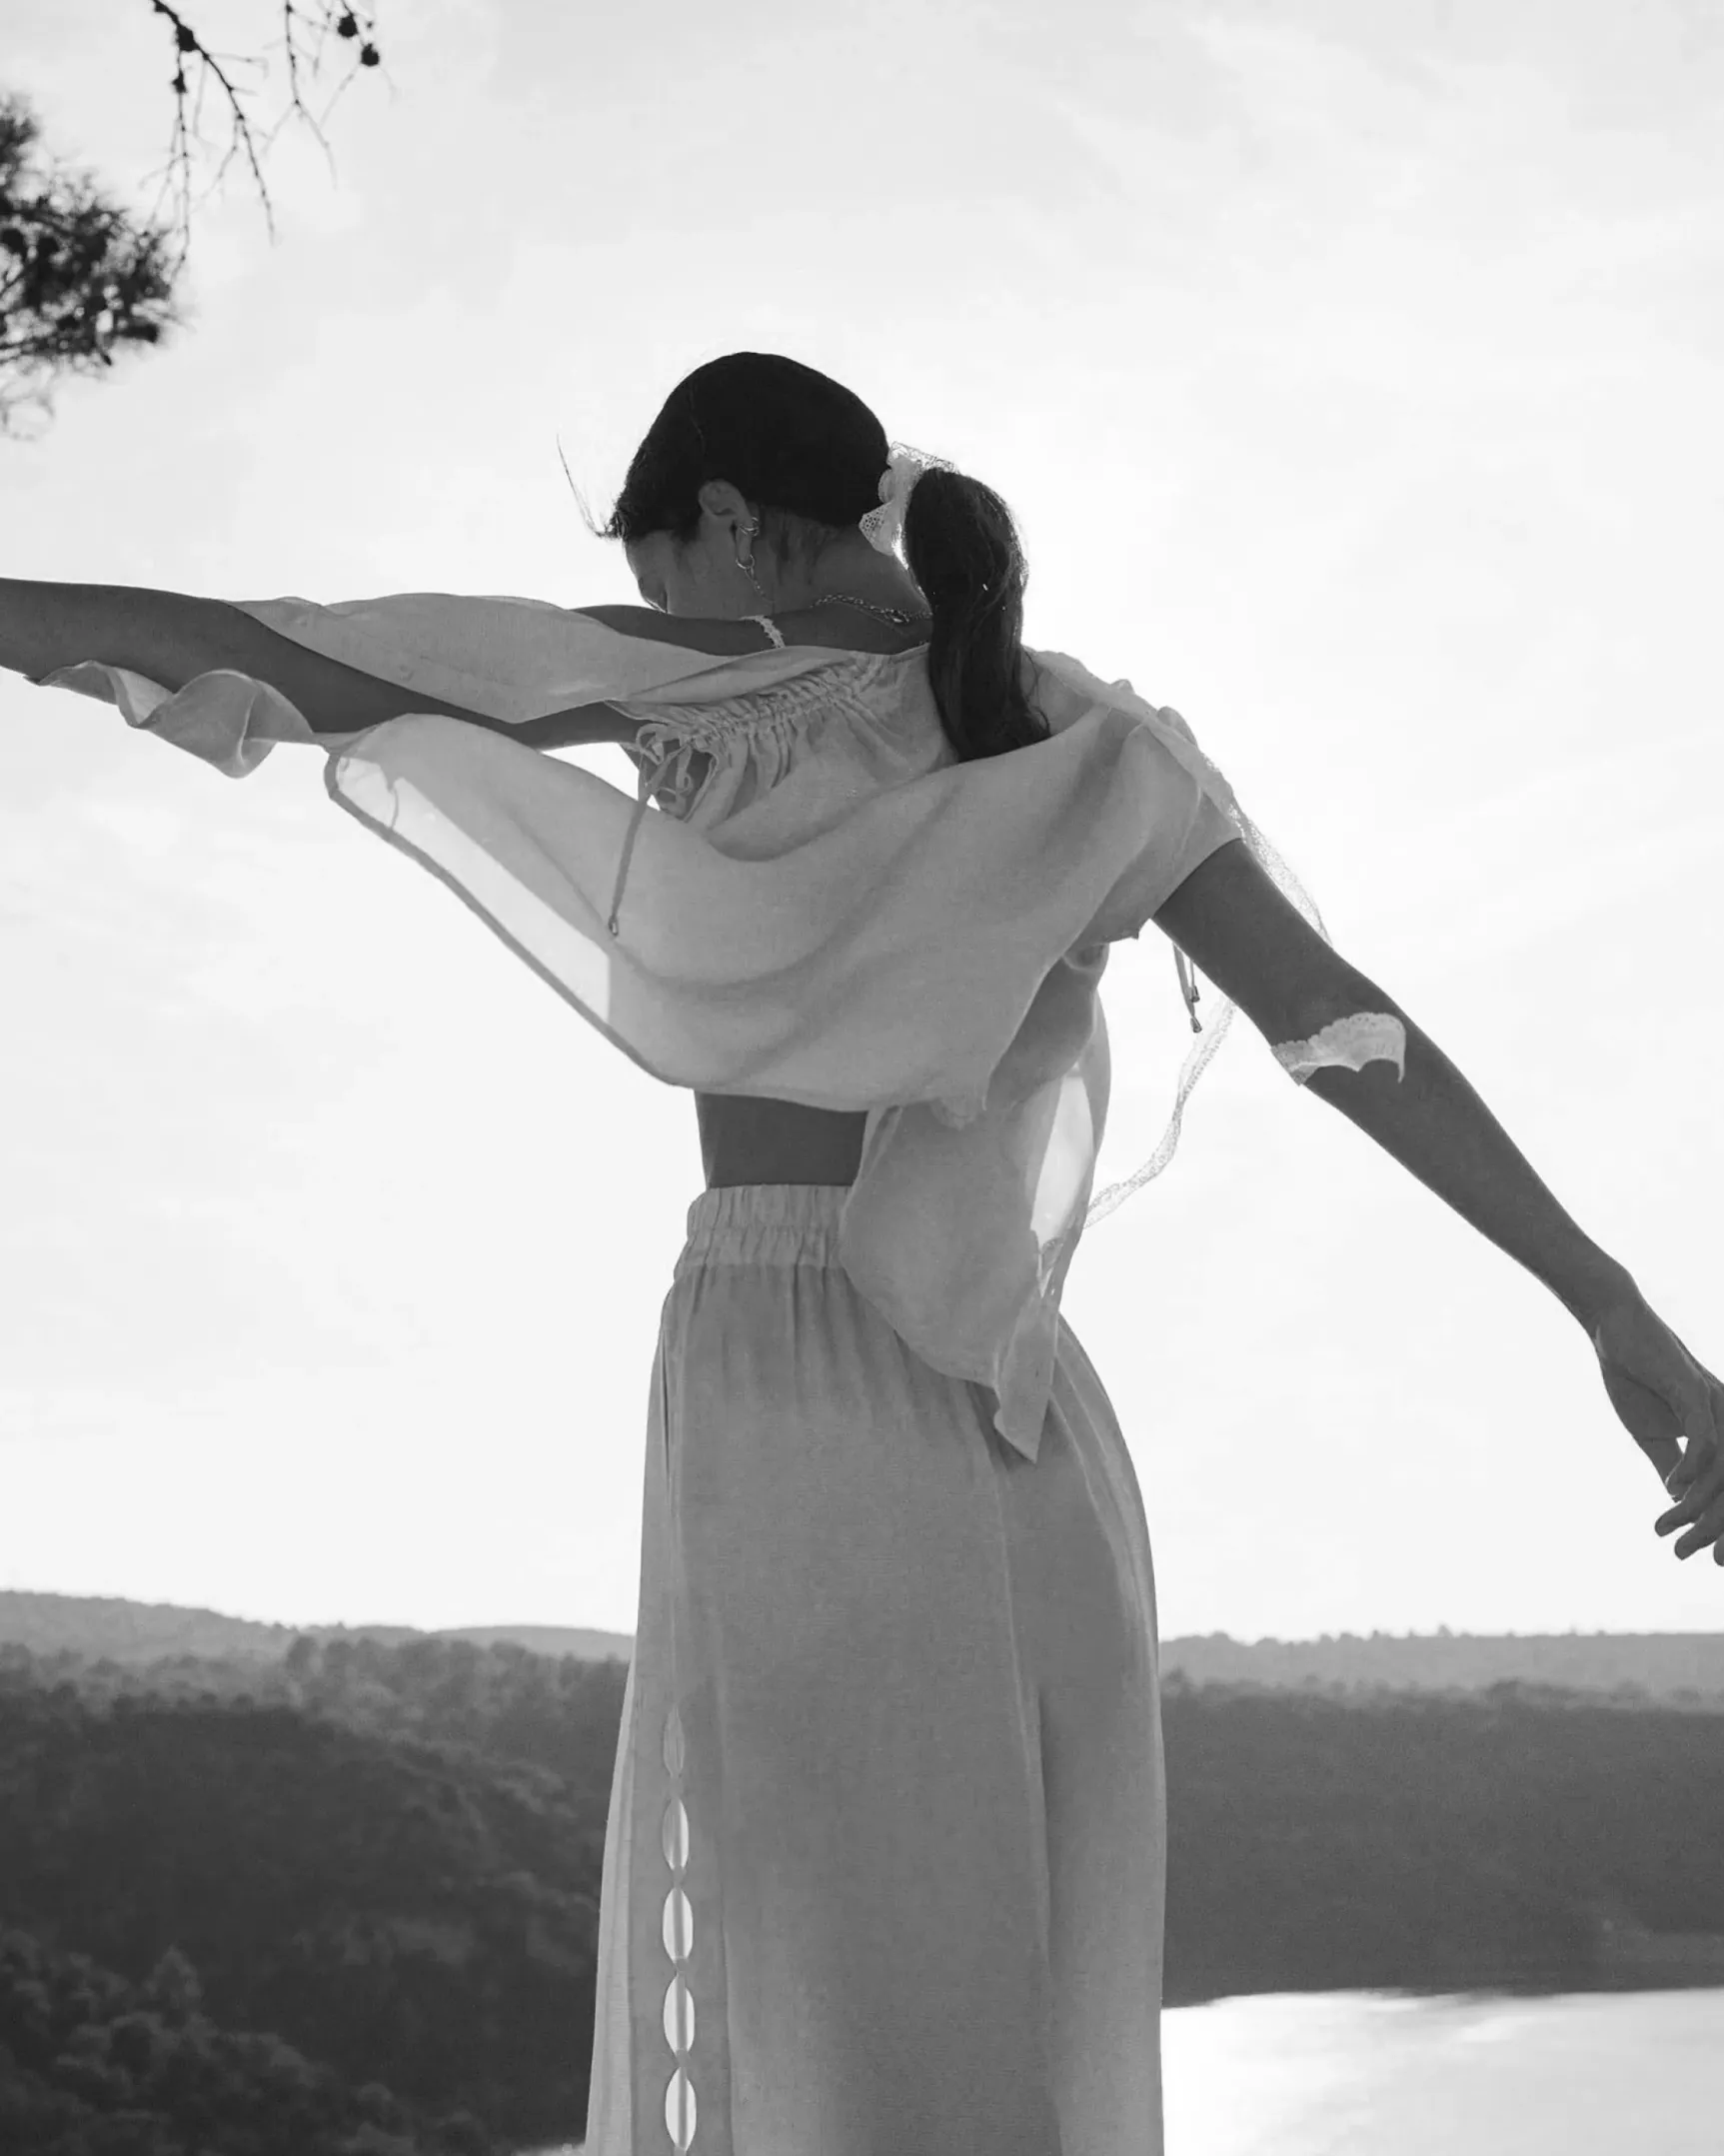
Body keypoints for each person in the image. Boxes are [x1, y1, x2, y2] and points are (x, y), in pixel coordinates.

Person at [2, 350, 1719, 2156]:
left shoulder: (722, 680)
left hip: (796, 1386)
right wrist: (1607, 1300)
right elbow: (1346, 1029)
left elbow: (272, 649)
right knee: (1002, 2027)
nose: (658, 608)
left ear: (730, 521)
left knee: (817, 2031)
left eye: (662, 567)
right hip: (1022, 1417)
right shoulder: (1092, 745)